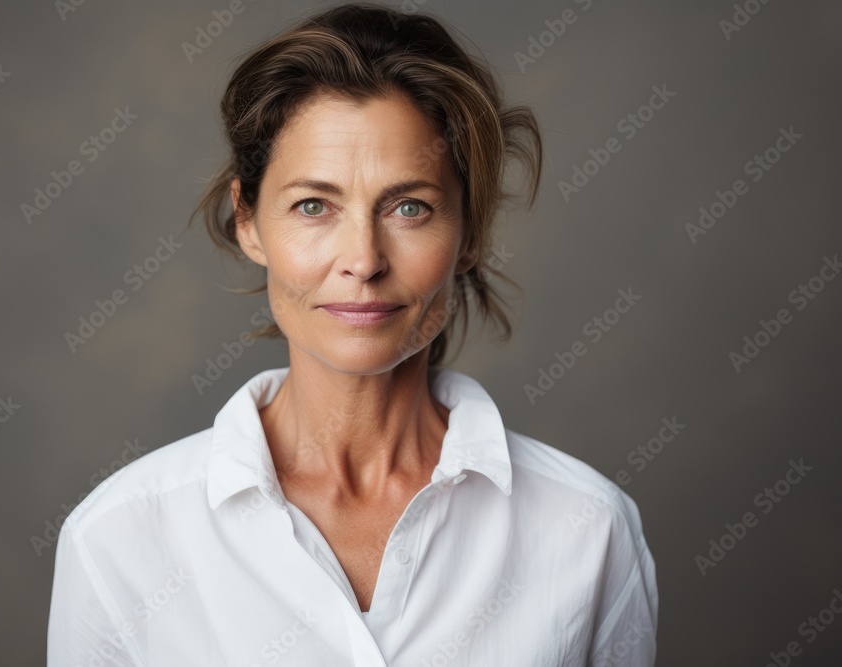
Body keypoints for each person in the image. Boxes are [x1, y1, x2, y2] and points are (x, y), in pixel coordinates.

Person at [47, 3, 658, 665]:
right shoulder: (119, 541)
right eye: (314, 205)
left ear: (471, 233)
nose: (363, 259)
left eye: (409, 207)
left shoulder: (587, 530)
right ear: (249, 221)